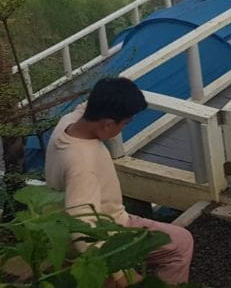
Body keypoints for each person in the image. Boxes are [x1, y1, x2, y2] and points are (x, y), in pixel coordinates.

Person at [45, 77, 194, 284]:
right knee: (180, 243)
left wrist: (117, 91)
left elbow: (84, 106)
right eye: (125, 123)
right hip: (108, 230)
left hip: (73, 223)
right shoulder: (83, 166)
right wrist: (120, 274)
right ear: (107, 124)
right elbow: (81, 224)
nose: (124, 127)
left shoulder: (69, 123)